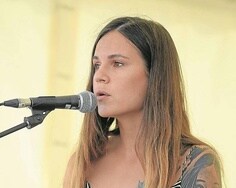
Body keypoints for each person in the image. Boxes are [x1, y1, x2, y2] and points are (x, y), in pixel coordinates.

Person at [63, 16, 222, 188]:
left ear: (155, 76)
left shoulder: (195, 163)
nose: (99, 76)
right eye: (97, 65)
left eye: (117, 63)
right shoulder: (83, 161)